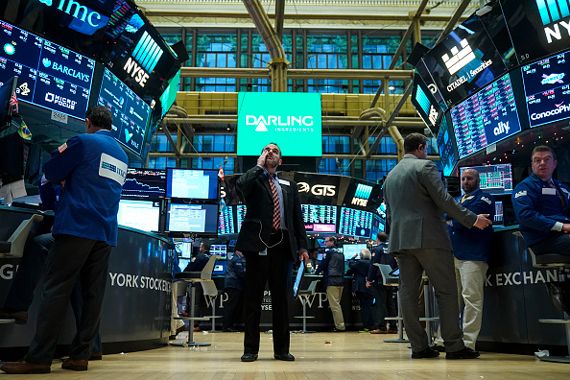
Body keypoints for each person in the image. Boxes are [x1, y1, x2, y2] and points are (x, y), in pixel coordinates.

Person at [0, 106, 128, 374]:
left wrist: (65, 180)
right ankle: (80, 356)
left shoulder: (82, 141)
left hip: (77, 227)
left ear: (88, 122)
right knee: (93, 296)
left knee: (56, 290)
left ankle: (38, 358)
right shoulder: (121, 154)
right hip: (105, 233)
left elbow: (51, 169)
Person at [383, 133, 491, 360]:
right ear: (421, 148)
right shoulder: (425, 167)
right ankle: (453, 345)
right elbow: (444, 200)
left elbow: (390, 215)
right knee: (446, 291)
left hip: (401, 242)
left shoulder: (390, 176)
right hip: (429, 239)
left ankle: (419, 347)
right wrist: (473, 219)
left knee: (408, 295)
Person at [235, 142, 308, 362]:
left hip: (283, 247)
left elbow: (297, 219)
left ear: (280, 160)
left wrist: (303, 246)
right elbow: (239, 187)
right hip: (257, 246)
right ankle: (250, 350)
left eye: (274, 151)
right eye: (266, 150)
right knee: (253, 300)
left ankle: (281, 350)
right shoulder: (254, 179)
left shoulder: (289, 185)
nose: (270, 153)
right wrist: (258, 167)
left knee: (281, 302)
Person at [447, 168, 494, 350]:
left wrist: (455, 219)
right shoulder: (458, 200)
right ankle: (448, 340)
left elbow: (462, 223)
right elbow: (461, 219)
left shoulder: (485, 198)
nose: (466, 182)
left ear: (478, 180)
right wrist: (466, 218)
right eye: (464, 179)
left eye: (470, 179)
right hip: (455, 254)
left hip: (474, 255)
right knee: (453, 301)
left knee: (471, 299)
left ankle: (468, 343)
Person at [512, 145, 570, 256]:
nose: (542, 163)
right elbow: (525, 215)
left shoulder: (562, 187)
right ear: (532, 165)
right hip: (543, 239)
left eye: (547, 159)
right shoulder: (525, 187)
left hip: (564, 233)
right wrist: (562, 226)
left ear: (554, 164)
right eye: (537, 160)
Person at [366, 232, 397, 334]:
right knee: (390, 304)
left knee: (380, 304)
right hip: (390, 279)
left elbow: (373, 266)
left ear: (377, 238)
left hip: (379, 280)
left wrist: (369, 280)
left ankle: (381, 327)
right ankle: (393, 327)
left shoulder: (376, 249)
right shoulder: (390, 249)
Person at [315, 236, 345, 332]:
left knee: (335, 306)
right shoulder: (341, 253)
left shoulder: (329, 252)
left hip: (331, 281)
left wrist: (316, 273)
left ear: (332, 242)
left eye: (326, 241)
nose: (325, 243)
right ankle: (339, 325)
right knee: (337, 305)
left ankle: (340, 327)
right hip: (340, 281)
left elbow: (323, 265)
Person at [347, 248, 376, 332]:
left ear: (361, 255)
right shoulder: (371, 262)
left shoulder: (360, 263)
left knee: (364, 307)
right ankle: (372, 325)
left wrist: (353, 257)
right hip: (370, 287)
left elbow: (350, 264)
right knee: (370, 306)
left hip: (361, 287)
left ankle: (366, 326)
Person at [222, 251, 246, 332]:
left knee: (231, 306)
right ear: (238, 251)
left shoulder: (232, 257)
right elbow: (241, 273)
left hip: (231, 284)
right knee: (231, 306)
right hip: (234, 285)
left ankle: (229, 325)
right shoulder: (237, 259)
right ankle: (227, 326)